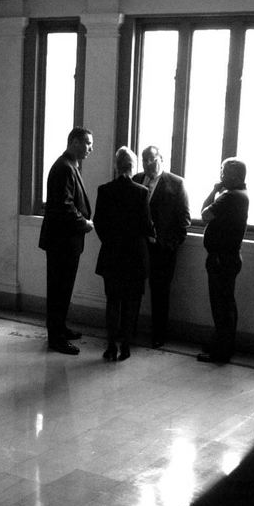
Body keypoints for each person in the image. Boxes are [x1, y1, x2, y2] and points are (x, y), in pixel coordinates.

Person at [93, 147, 154, 361]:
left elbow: (98, 222)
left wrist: (110, 242)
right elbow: (146, 225)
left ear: (116, 166)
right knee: (131, 303)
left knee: (112, 302)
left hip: (112, 254)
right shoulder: (141, 192)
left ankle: (110, 346)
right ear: (132, 167)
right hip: (135, 256)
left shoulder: (104, 190)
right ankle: (126, 346)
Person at [38, 127, 94, 355]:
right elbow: (65, 207)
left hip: (65, 241)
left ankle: (60, 327)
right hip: (62, 242)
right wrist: (85, 224)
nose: (91, 148)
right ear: (75, 142)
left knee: (63, 288)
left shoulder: (69, 165)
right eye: (88, 143)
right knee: (59, 288)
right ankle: (56, 338)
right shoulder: (64, 168)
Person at [132, 146, 190, 349]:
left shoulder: (176, 183)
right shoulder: (136, 180)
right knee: (132, 289)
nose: (148, 163)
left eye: (152, 159)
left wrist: (169, 245)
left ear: (161, 159)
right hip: (138, 247)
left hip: (162, 250)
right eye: (144, 159)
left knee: (160, 293)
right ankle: (129, 330)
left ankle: (159, 335)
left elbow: (184, 221)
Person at [197, 157, 249, 364]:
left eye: (224, 173)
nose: (221, 176)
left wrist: (213, 191)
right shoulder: (240, 195)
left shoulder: (230, 197)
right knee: (226, 305)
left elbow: (204, 214)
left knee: (221, 306)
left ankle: (221, 351)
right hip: (228, 257)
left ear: (236, 176)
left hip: (221, 259)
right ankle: (222, 344)